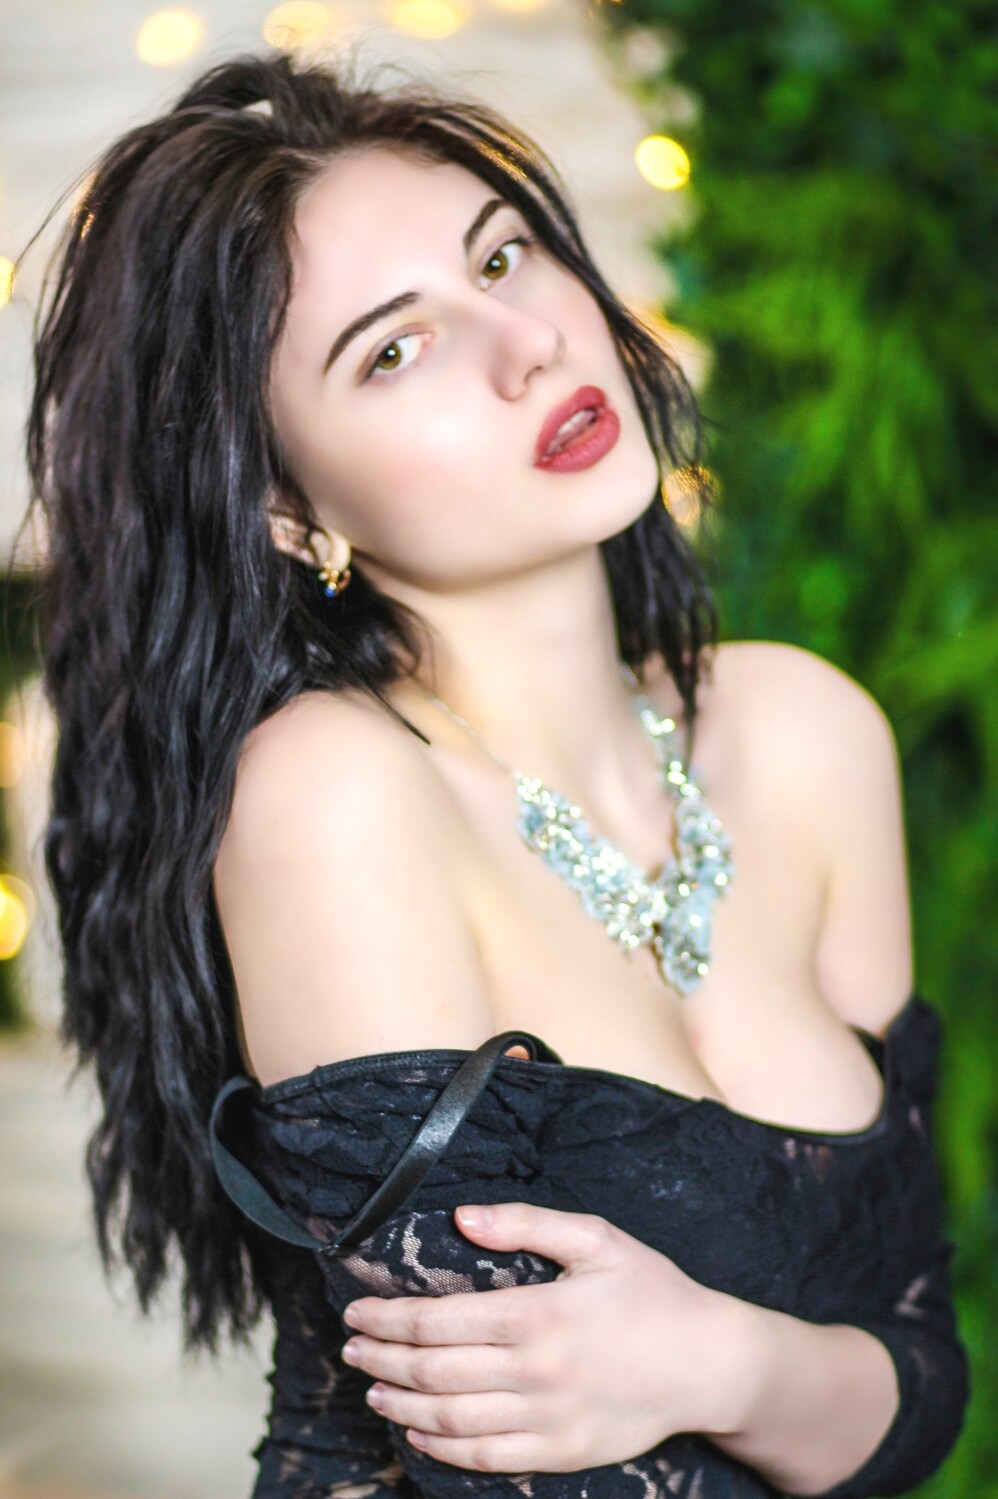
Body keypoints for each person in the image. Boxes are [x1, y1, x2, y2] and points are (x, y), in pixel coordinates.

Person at [24, 44, 968, 1499]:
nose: (526, 345)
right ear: (288, 512)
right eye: (393, 351)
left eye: (502, 257)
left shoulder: (805, 730)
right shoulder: (334, 795)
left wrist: (722, 1363)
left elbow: (916, 1378)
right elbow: (486, 1455)